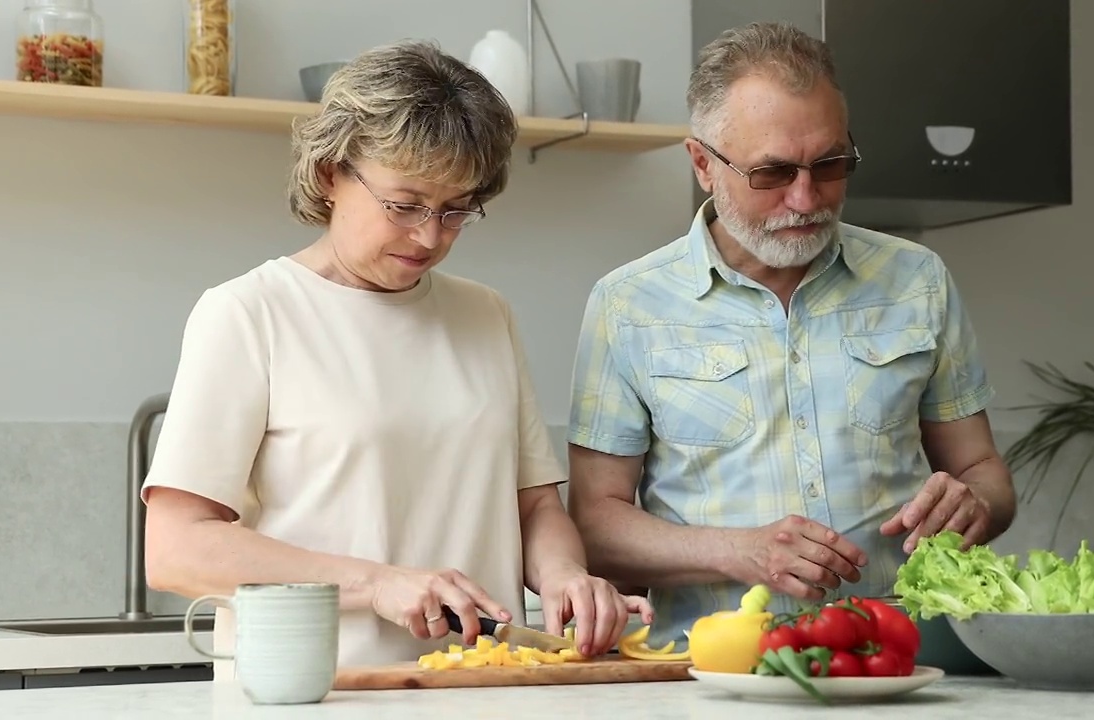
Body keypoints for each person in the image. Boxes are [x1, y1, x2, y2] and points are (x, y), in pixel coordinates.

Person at [140, 39, 650, 678]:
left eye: (457, 209)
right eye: (404, 205)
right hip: (318, 694)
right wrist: (376, 584)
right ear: (331, 173)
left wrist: (565, 575)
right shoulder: (248, 313)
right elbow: (177, 549)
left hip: (484, 691)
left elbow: (535, 507)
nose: (431, 236)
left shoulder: (486, 315)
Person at [565, 22, 1016, 647]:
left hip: (898, 659)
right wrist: (740, 552)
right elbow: (594, 526)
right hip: (712, 673)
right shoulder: (628, 305)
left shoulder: (917, 280)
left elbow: (984, 470)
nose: (806, 198)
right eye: (773, 174)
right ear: (702, 163)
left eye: (830, 164)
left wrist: (976, 505)